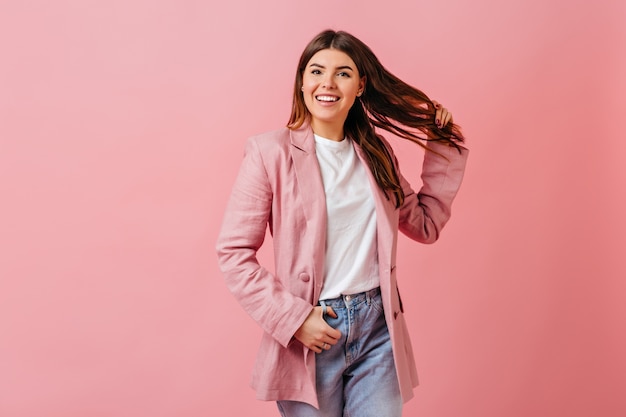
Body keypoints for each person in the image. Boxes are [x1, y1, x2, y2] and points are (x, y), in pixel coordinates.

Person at [216, 29, 468, 417]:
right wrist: (296, 320)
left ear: (361, 86)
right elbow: (234, 253)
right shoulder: (270, 153)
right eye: (316, 71)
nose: (327, 83)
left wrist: (442, 145)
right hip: (313, 332)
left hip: (377, 330)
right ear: (302, 82)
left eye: (343, 73)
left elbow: (425, 225)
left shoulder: (375, 154)